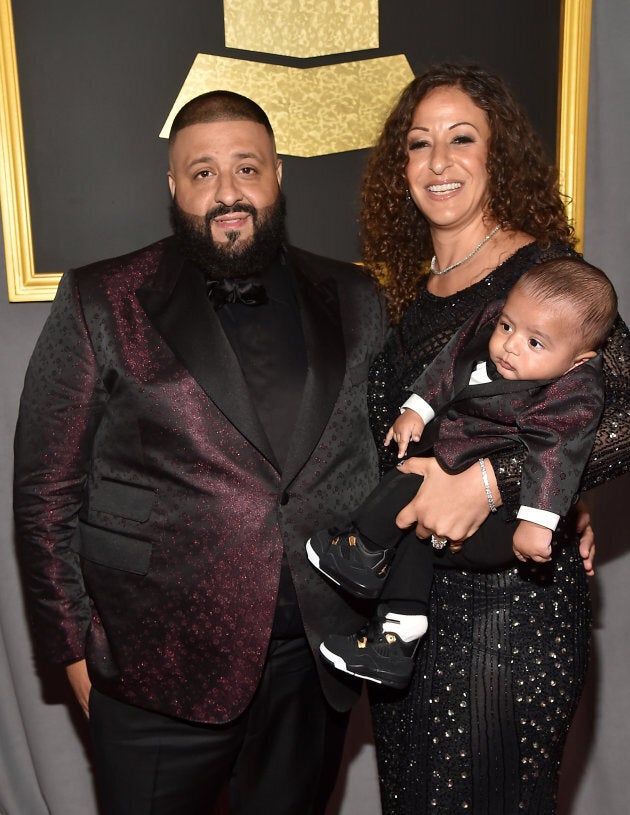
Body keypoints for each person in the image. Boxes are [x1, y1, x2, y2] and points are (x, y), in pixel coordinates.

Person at [13, 90, 386, 815]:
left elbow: (401, 446)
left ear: (278, 174)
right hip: (155, 674)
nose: (228, 192)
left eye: (246, 168)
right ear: (174, 187)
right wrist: (73, 659)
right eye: (203, 172)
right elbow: (45, 493)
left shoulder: (355, 295)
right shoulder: (102, 298)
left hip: (309, 669)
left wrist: (519, 481)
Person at [359, 64, 630, 814]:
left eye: (461, 139)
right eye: (419, 144)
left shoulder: (542, 276)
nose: (438, 162)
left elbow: (621, 417)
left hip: (509, 617)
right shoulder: (407, 296)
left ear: (497, 155)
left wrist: (494, 482)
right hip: (410, 617)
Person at [307, 258, 617, 689]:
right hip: (438, 528)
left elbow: (559, 456)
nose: (510, 345)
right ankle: (396, 638)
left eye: (535, 343)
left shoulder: (574, 391)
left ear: (578, 361)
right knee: (417, 513)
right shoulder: (499, 312)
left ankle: (362, 548)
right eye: (507, 327)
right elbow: (452, 360)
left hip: (502, 536)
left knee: (412, 484)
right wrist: (417, 409)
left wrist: (536, 521)